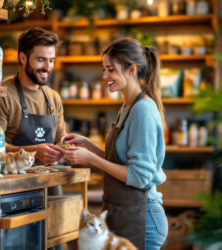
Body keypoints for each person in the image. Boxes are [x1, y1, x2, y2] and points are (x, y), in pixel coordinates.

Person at [61, 38, 168, 250]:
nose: (104, 76)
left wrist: (91, 159)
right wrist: (89, 145)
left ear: (131, 69)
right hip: (126, 213)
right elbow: (122, 161)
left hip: (143, 217)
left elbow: (139, 176)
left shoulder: (142, 110)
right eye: (104, 69)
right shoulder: (127, 106)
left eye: (110, 69)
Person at [0, 27, 66, 164]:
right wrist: (33, 151)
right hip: (16, 181)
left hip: (50, 181)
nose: (47, 67)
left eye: (51, 60)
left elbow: (61, 141)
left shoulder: (53, 97)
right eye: (41, 60)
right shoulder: (1, 94)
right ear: (23, 58)